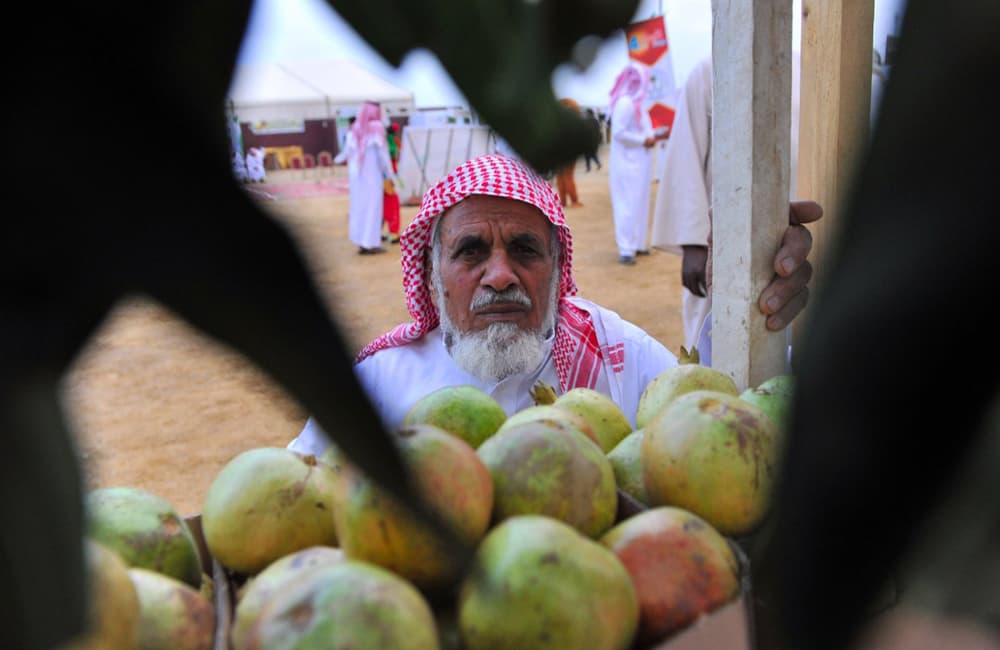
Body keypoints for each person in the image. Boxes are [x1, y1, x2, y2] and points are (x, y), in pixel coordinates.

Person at [288, 153, 819, 456]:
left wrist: (750, 291)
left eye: (524, 250)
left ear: (558, 267)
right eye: (470, 252)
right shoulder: (377, 387)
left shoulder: (618, 358)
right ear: (431, 277)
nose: (499, 276)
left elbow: (726, 413)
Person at [648, 56, 714, 353]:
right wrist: (693, 241)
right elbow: (687, 152)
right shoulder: (709, 71)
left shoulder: (808, 67)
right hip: (719, 240)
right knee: (709, 334)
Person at [608, 63, 667, 266]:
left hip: (641, 163)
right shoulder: (624, 103)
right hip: (627, 164)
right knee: (627, 205)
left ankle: (639, 244)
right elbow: (618, 132)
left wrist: (653, 136)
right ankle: (626, 249)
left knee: (640, 204)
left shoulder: (639, 104)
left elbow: (646, 129)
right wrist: (643, 140)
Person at [335, 102, 398, 255]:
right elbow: (383, 155)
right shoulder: (376, 127)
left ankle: (361, 243)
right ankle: (370, 244)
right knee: (373, 209)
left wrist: (336, 160)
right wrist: (391, 174)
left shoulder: (354, 129)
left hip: (357, 178)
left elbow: (346, 153)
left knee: (359, 209)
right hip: (372, 177)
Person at [554, 97, 584, 209]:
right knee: (568, 176)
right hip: (568, 151)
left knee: (560, 176)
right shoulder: (572, 120)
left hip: (557, 150)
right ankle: (574, 201)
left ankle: (563, 201)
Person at [382, 122, 403, 244]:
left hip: (381, 179)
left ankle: (379, 232)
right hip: (389, 178)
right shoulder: (393, 141)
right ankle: (393, 233)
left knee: (382, 204)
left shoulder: (382, 142)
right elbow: (400, 152)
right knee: (392, 204)